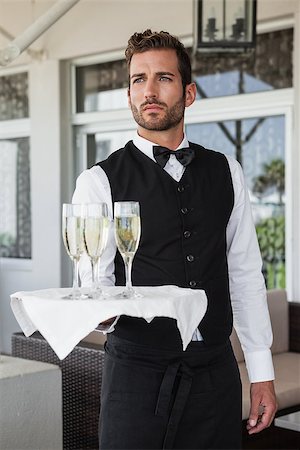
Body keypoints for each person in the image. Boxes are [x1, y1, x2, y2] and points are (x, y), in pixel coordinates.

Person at [72, 29, 277, 450]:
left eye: (163, 78)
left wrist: (261, 372)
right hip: (137, 376)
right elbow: (94, 287)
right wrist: (95, 309)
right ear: (128, 94)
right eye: (137, 80)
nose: (148, 90)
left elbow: (244, 275)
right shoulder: (97, 182)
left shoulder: (228, 171)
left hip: (215, 374)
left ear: (188, 93)